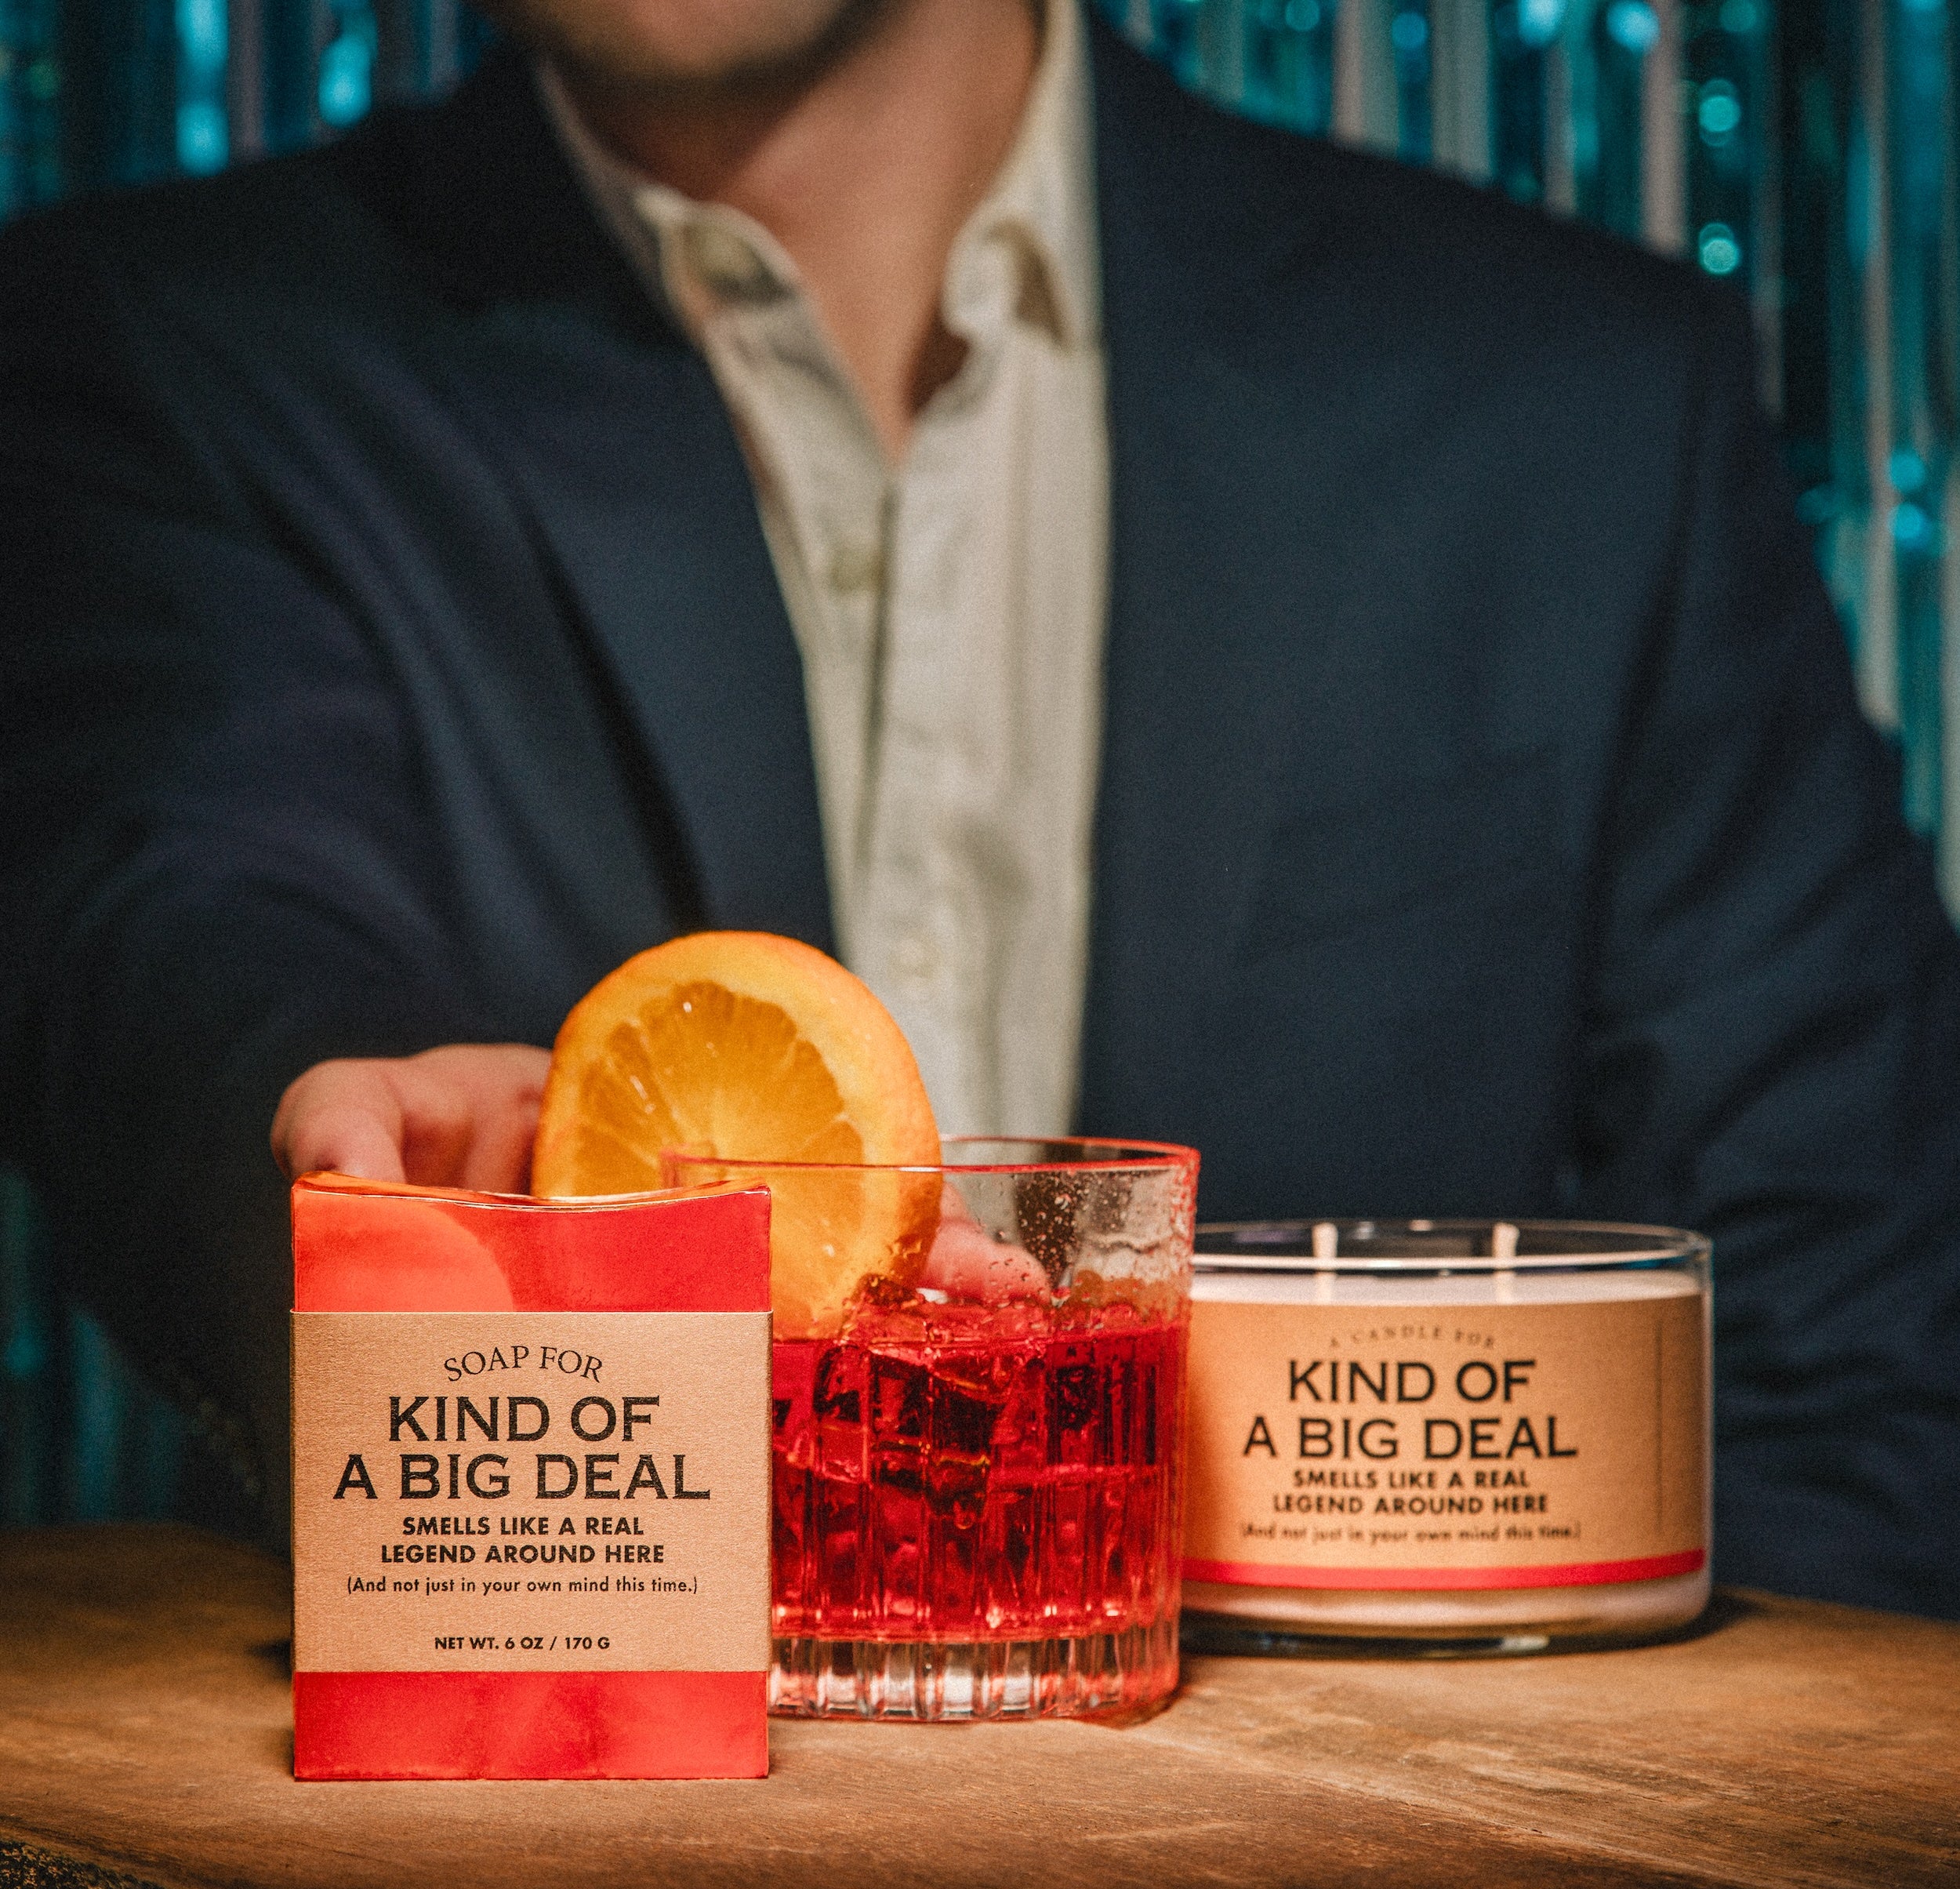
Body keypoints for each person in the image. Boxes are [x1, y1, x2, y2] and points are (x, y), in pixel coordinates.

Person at [3, 0, 1958, 1615]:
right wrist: (370, 1162)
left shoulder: (1563, 406)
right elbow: (179, 936)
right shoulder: (157, 350)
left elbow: (1848, 1367)